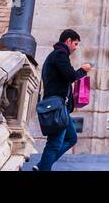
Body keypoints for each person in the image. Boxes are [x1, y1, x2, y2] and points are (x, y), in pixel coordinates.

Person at [37, 28, 91, 171]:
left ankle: (42, 165)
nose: (76, 47)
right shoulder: (60, 55)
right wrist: (83, 70)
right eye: (75, 44)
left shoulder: (55, 56)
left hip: (61, 106)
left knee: (71, 138)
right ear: (68, 41)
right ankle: (44, 168)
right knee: (54, 144)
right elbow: (71, 76)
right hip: (57, 107)